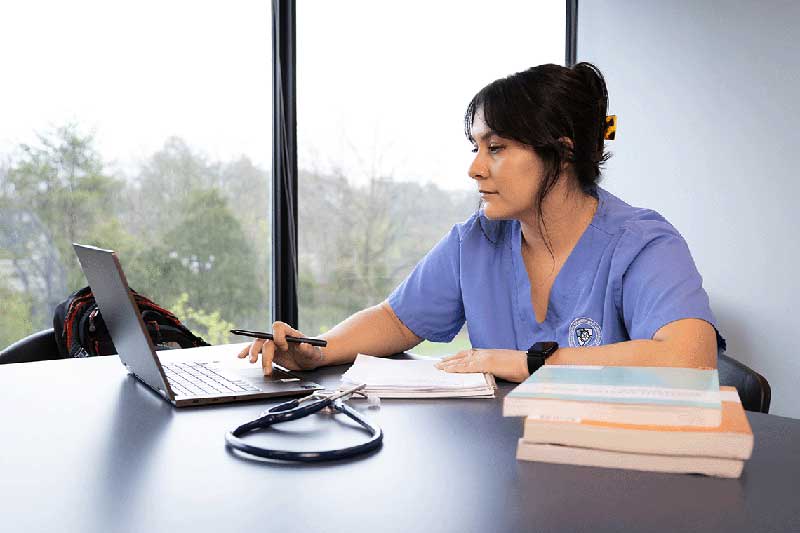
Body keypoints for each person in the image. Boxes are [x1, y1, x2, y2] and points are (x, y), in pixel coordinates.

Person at [238, 62, 722, 382]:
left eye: (496, 148)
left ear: (564, 150)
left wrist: (523, 363)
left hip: (613, 474)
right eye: (476, 149)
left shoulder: (642, 244)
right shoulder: (477, 239)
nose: (475, 168)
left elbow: (689, 359)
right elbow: (397, 318)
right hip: (503, 463)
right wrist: (320, 350)